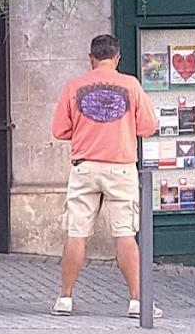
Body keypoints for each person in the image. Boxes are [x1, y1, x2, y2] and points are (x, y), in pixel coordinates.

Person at [50, 34, 160, 319]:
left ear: (91, 59)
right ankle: (137, 302)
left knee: (76, 233)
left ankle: (65, 298)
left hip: (84, 166)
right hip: (121, 167)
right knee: (124, 233)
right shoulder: (131, 85)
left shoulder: (74, 86)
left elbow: (59, 130)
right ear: (117, 58)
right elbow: (148, 126)